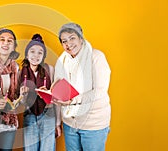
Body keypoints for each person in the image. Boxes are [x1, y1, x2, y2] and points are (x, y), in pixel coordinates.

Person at [53, 23, 111, 151]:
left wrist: (73, 100)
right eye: (64, 41)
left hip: (93, 125)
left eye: (72, 38)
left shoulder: (96, 57)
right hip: (70, 124)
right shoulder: (61, 61)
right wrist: (58, 122)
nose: (68, 44)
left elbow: (99, 92)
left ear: (81, 38)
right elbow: (57, 91)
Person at [18, 34, 61, 151]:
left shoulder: (50, 70)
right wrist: (23, 96)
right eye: (32, 51)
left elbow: (56, 97)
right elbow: (18, 103)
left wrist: (58, 123)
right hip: (29, 114)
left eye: (40, 52)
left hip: (48, 114)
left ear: (43, 56)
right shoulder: (20, 73)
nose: (35, 55)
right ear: (27, 54)